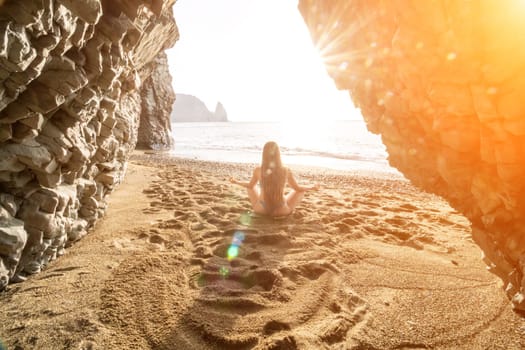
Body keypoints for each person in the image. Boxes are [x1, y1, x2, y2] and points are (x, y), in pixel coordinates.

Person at [229, 141, 319, 217]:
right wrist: (312, 187)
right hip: (281, 210)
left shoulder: (258, 170)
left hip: (262, 209)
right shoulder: (285, 170)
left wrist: (236, 182)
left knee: (251, 187)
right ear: (278, 154)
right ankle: (284, 212)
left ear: (264, 154)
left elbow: (250, 185)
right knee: (300, 191)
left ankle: (264, 211)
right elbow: (298, 188)